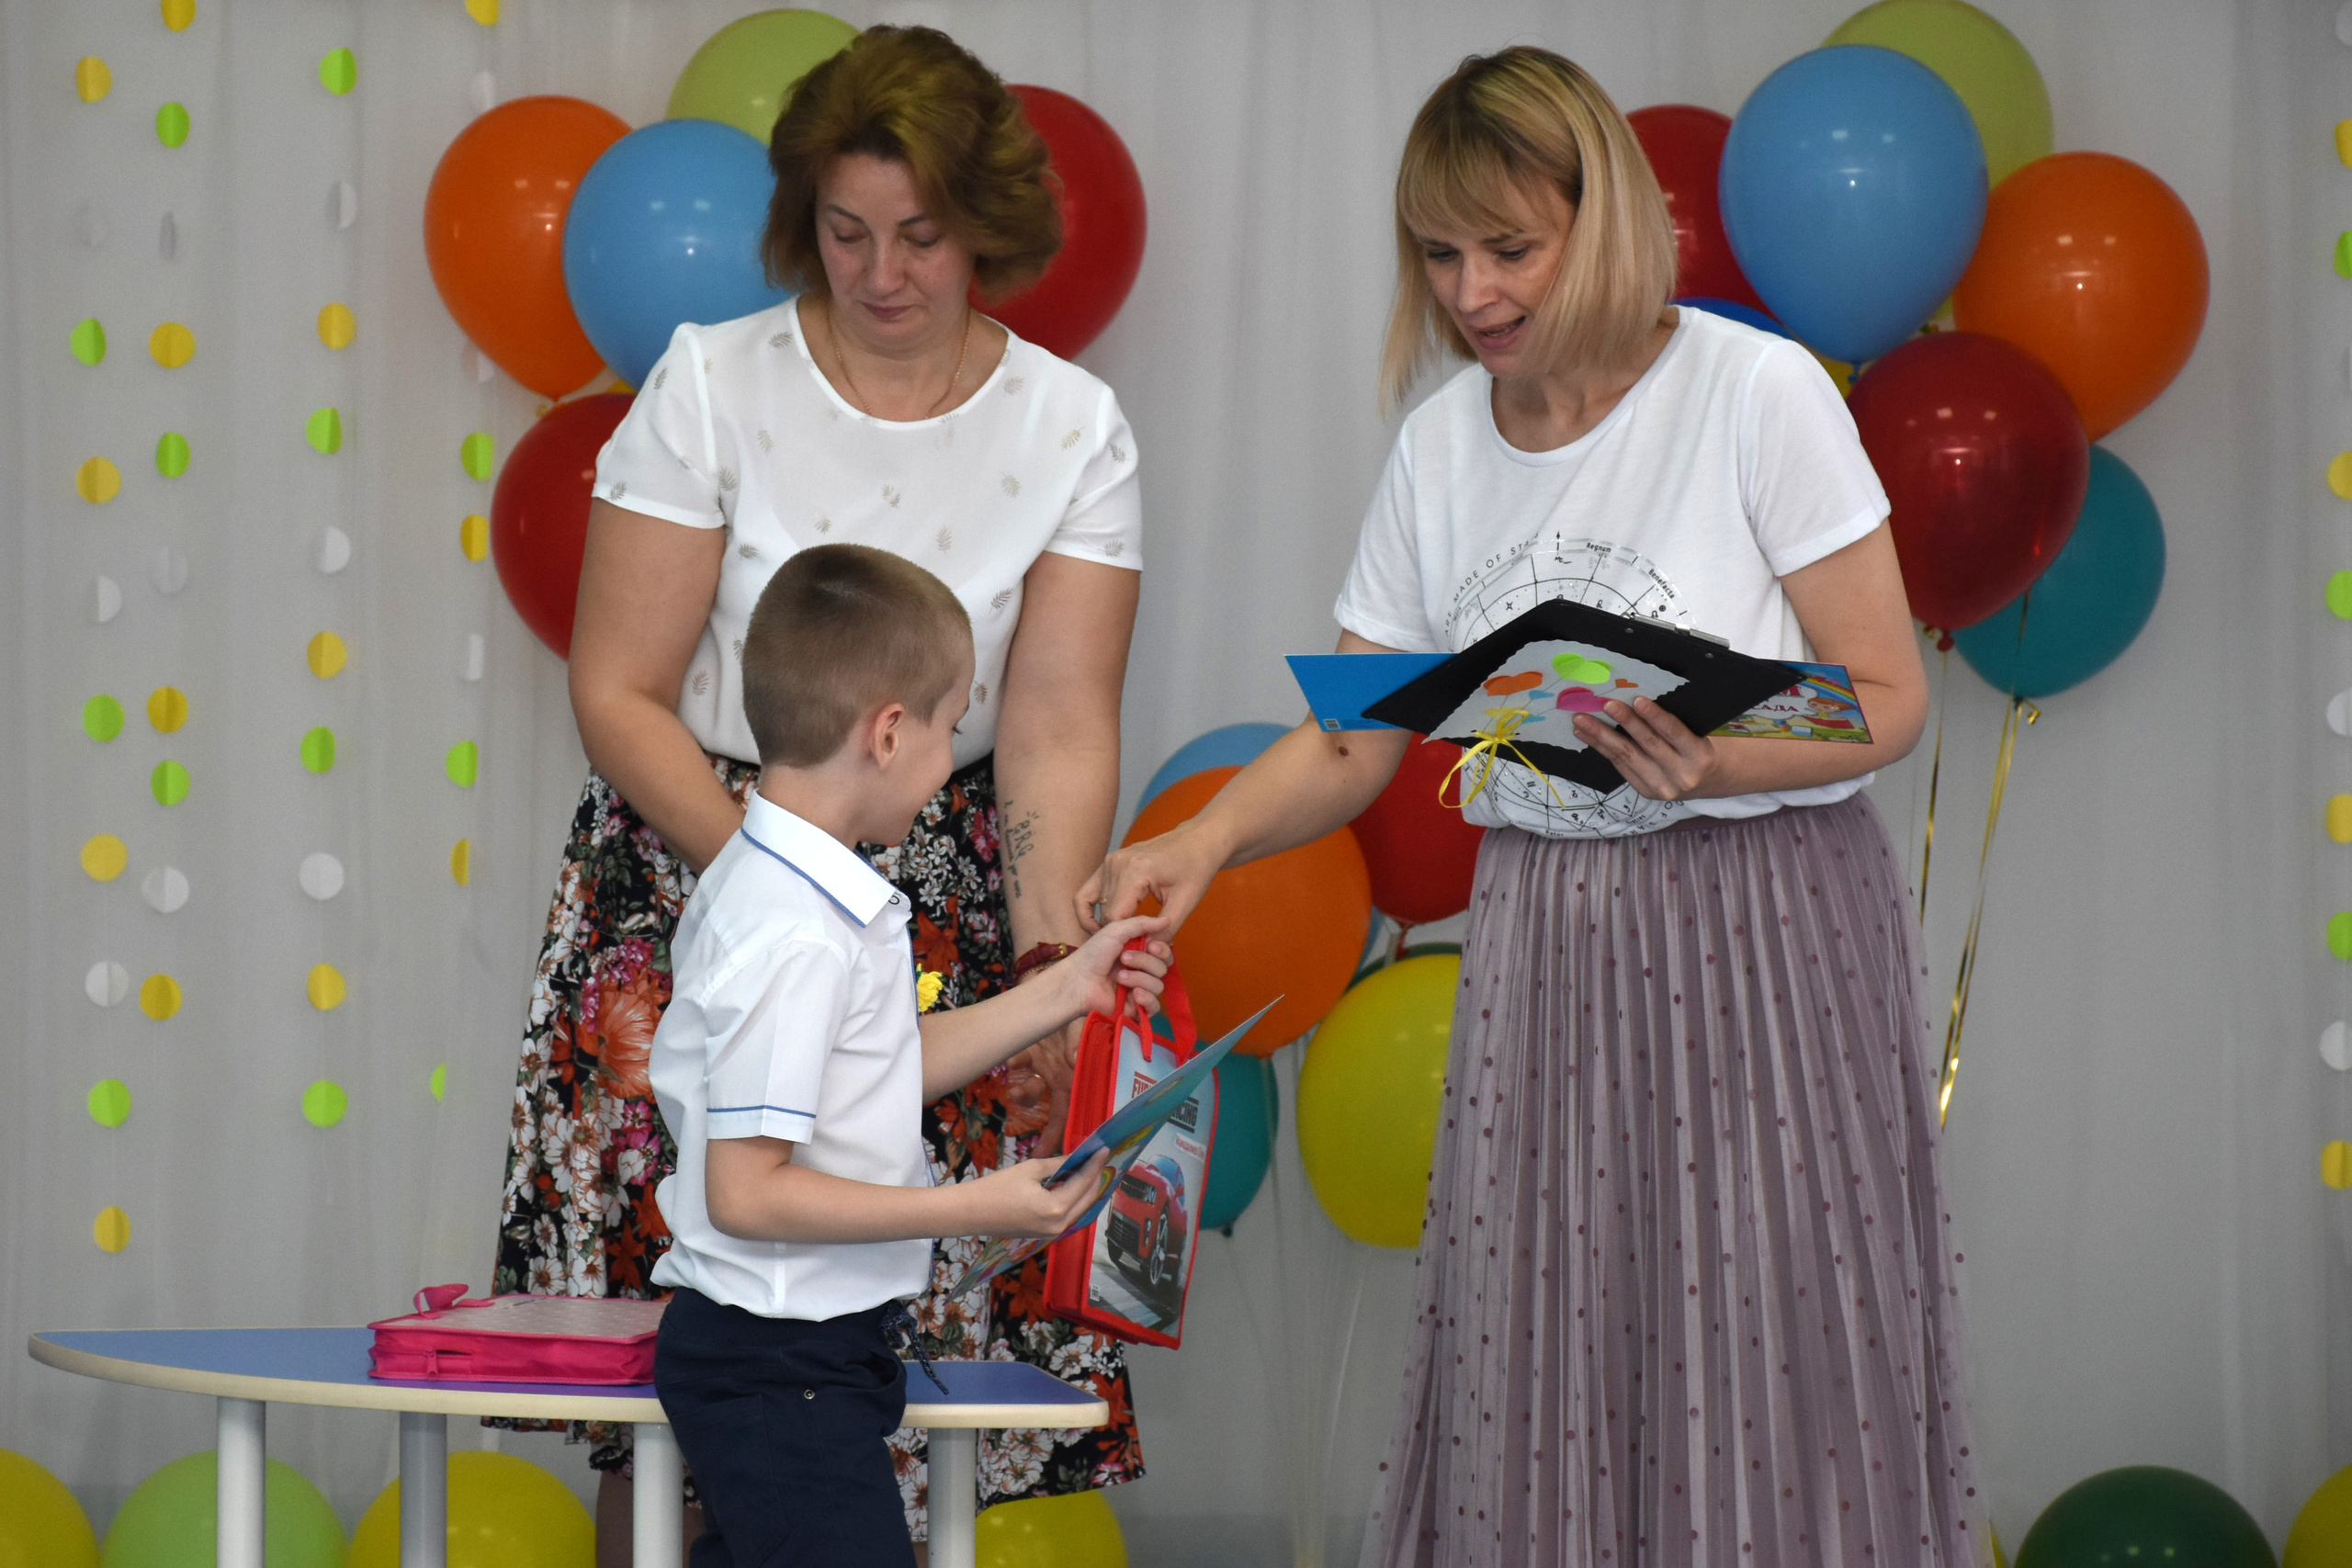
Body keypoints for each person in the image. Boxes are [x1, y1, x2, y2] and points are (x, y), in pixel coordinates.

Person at [1081, 47, 1987, 1568]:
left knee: (1767, 1347)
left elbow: (1887, 700)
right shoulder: (1442, 443)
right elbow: (1356, 735)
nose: (1473, 290)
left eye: (1510, 245)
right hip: (1551, 942)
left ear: (1609, 219)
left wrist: (1716, 752)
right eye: (1441, 255)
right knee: (1560, 1343)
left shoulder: (1751, 390)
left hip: (1763, 930)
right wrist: (1196, 841)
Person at [492, 26, 1148, 1557]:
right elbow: (619, 689)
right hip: (699, 865)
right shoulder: (715, 383)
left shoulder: (1069, 424)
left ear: (982, 219)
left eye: (919, 233)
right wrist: (779, 875)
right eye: (848, 232)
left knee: (896, 1355)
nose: (884, 270)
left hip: (946, 877)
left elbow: (1054, 720)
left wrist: (1052, 955)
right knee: (670, 1366)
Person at [651, 544, 1169, 1567]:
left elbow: (871, 1068)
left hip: (803, 1357)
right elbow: (747, 1194)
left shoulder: (795, 889)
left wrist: (1065, 990)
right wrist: (974, 1207)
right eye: (951, 726)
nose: (951, 761)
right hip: (774, 1363)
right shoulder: (793, 929)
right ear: (889, 732)